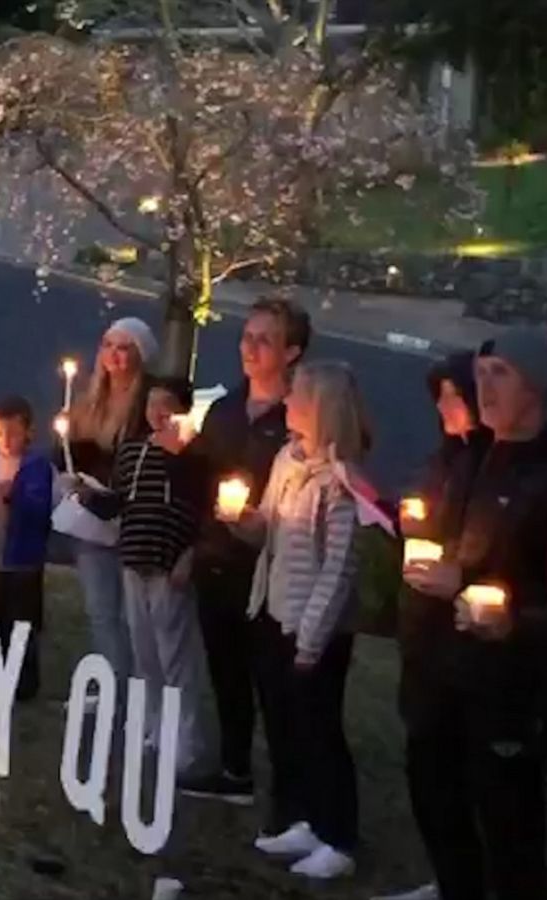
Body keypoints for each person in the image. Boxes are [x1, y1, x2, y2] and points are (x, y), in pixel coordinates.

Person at [396, 328, 547, 900]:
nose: (484, 387)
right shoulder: (470, 459)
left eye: (502, 375)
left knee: (508, 824)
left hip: (504, 688)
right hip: (438, 668)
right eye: (482, 374)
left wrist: (467, 586)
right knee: (436, 799)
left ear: (537, 386)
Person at [228, 360, 374, 881]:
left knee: (320, 728)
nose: (285, 401)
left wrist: (312, 638)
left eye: (296, 396)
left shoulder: (341, 483)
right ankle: (305, 818)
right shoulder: (287, 460)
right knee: (286, 724)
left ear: (320, 408)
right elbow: (269, 526)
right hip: (273, 609)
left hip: (316, 629)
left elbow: (338, 567)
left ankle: (339, 834)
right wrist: (246, 523)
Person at [179, 296, 311, 805]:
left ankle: (292, 793)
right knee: (226, 672)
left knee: (273, 684)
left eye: (264, 340)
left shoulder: (299, 417)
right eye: (246, 337)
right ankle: (235, 770)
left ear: (292, 352)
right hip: (218, 561)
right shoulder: (226, 409)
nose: (249, 348)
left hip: (268, 572)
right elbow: (202, 482)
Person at [376, 350, 488, 900]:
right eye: (439, 396)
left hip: (461, 644)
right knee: (424, 771)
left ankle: (464, 882)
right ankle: (446, 877)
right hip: (422, 631)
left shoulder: (492, 467)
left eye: (454, 395)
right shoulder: (446, 458)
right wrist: (404, 516)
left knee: (456, 778)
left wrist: (457, 571)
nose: (445, 406)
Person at [76, 376, 207, 773]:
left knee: (175, 654)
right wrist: (84, 495)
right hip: (133, 556)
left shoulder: (191, 455)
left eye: (167, 405)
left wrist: (191, 555)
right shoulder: (131, 450)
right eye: (151, 405)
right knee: (144, 649)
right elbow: (118, 502)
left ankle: (186, 739)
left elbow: (201, 507)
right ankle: (153, 725)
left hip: (169, 560)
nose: (158, 413)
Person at [56, 317, 158, 684]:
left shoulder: (146, 407)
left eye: (124, 347)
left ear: (141, 355)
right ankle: (112, 681)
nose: (113, 355)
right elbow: (69, 455)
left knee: (136, 615)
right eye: (108, 345)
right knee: (100, 609)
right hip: (90, 518)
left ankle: (140, 689)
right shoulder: (89, 402)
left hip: (128, 519)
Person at [0, 396, 54, 702]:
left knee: (24, 623)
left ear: (28, 432)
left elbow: (39, 510)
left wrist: (13, 495)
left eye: (13, 433)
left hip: (23, 559)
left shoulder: (35, 467)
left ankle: (26, 683)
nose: (5, 441)